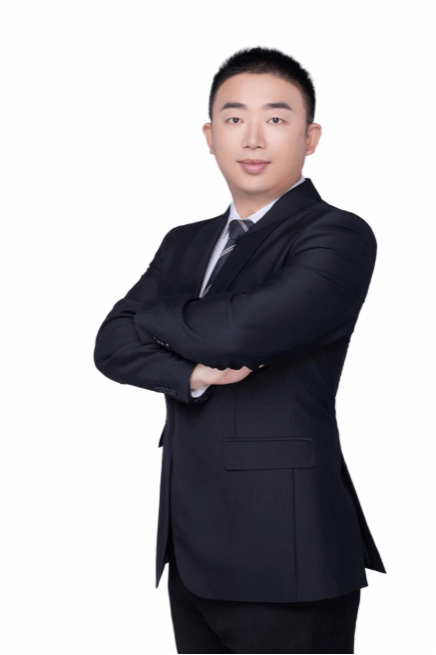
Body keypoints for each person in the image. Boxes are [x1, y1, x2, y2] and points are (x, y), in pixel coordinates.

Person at [93, 46, 386, 654]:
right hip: (190, 548)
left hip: (288, 553)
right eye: (234, 118)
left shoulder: (337, 235)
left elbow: (238, 333)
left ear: (310, 137)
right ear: (210, 136)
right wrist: (192, 372)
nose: (253, 137)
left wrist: (149, 313)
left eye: (276, 118)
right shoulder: (184, 242)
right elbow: (110, 345)